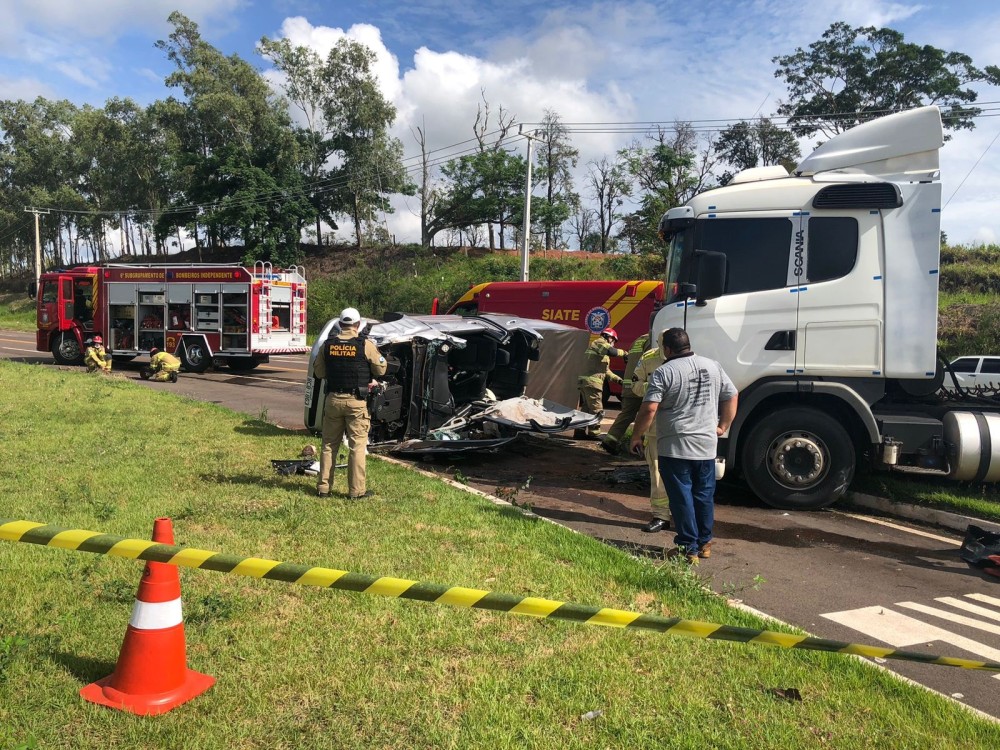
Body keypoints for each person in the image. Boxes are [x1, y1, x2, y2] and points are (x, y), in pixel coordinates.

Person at [630, 328, 738, 563]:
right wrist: (722, 427)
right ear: (688, 345)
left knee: (682, 497)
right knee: (704, 495)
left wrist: (636, 436)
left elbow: (649, 408)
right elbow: (731, 394)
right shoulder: (713, 366)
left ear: (667, 349)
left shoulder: (664, 372)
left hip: (675, 447)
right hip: (706, 446)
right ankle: (705, 543)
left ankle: (688, 548)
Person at [314, 307, 387, 499]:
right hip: (356, 402)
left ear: (340, 324)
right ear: (357, 325)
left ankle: (323, 489)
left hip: (333, 401)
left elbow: (319, 373)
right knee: (357, 447)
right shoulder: (365, 344)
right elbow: (381, 370)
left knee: (329, 445)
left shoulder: (328, 345)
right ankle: (356, 492)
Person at [631, 342, 670, 531]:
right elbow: (635, 386)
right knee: (656, 472)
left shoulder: (687, 361)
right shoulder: (648, 358)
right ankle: (661, 515)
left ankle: (682, 515)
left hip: (678, 428)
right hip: (655, 428)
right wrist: (655, 386)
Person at [601, 333, 650, 454]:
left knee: (627, 414)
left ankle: (610, 441)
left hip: (629, 384)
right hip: (641, 384)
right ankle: (644, 446)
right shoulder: (652, 340)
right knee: (649, 414)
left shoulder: (638, 339)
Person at [575, 327, 627, 440]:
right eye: (613, 340)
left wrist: (619, 380)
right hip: (591, 382)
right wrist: (625, 353)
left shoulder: (602, 352)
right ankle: (594, 433)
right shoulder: (599, 342)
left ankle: (579, 432)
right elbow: (612, 351)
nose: (613, 343)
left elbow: (606, 371)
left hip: (588, 382)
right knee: (596, 408)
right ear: (609, 337)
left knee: (586, 409)